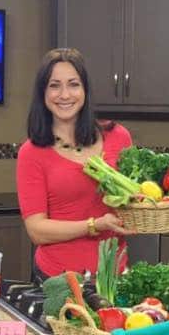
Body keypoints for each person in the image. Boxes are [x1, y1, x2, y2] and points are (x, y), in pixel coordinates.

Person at [16, 48, 133, 280]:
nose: (65, 94)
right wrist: (95, 225)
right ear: (43, 93)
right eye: (54, 85)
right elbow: (37, 230)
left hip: (115, 276)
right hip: (57, 279)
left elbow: (134, 197)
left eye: (73, 84)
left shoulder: (119, 136)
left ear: (85, 90)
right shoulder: (31, 153)